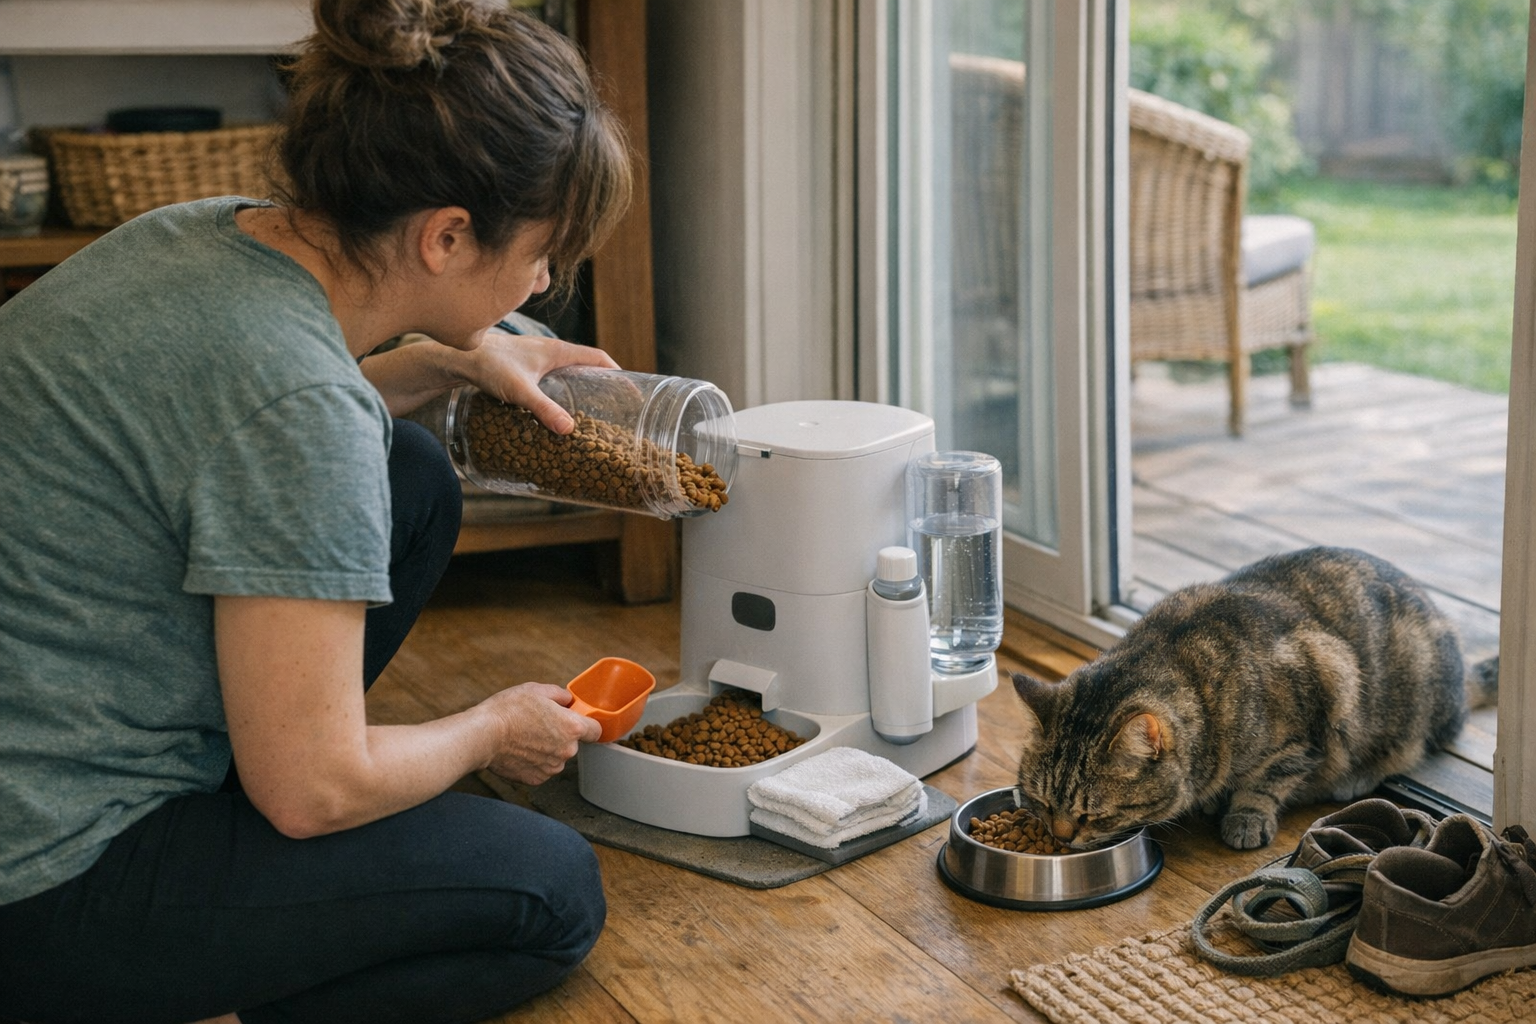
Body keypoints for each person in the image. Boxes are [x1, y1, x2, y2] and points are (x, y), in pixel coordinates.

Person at [0, 1, 634, 1021]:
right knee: (548, 891)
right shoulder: (299, 405)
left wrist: (443, 359)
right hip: (42, 878)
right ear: (448, 235)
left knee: (411, 476)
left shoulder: (198, 233)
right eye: (543, 252)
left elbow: (232, 434)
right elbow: (313, 792)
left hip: (32, 736)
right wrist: (487, 729)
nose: (546, 280)